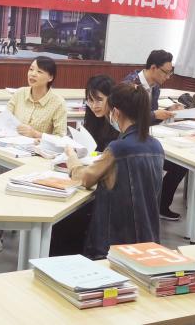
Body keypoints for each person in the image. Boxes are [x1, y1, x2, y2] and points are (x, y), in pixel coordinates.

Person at [64, 83, 164, 259]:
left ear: (116, 112)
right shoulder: (156, 146)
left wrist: (72, 159)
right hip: (148, 239)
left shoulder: (118, 148)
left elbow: (86, 178)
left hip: (114, 242)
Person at [0, 57, 67, 257]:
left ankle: (25, 230)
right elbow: (5, 120)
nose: (32, 74)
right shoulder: (20, 94)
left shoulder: (58, 103)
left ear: (50, 77)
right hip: (12, 152)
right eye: (31, 69)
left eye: (39, 71)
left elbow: (61, 139)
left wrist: (37, 134)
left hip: (38, 159)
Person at [49, 75, 119, 257]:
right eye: (90, 100)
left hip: (101, 186)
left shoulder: (118, 125)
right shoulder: (93, 120)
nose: (94, 105)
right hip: (89, 176)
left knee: (67, 220)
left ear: (112, 98)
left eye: (99, 100)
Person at [122, 50, 187, 220]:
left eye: (170, 73)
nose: (168, 77)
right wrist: (155, 115)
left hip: (146, 138)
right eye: (166, 72)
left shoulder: (155, 87)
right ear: (153, 68)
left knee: (181, 165)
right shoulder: (130, 85)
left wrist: (167, 111)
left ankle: (161, 206)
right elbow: (126, 120)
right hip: (129, 142)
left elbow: (150, 116)